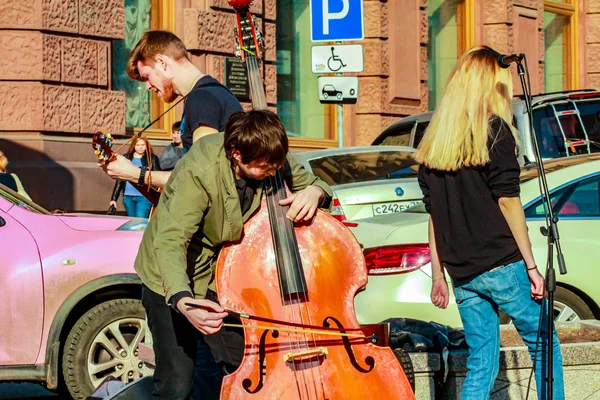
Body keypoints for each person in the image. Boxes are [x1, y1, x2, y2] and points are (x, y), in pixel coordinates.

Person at [136, 109, 331, 398]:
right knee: (177, 383)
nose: (275, 172)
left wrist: (315, 192)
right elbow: (170, 240)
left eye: (278, 164)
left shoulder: (271, 154)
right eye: (266, 167)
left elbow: (316, 183)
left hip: (226, 277)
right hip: (172, 276)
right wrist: (183, 300)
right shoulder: (201, 170)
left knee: (240, 365)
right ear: (237, 154)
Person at [413, 46, 564, 400]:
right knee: (544, 343)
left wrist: (438, 275)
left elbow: (435, 217)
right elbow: (509, 202)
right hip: (501, 263)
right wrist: (531, 265)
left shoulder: (434, 146)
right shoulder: (496, 132)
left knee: (482, 360)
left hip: (462, 272)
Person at [103, 30, 243, 189]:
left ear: (162, 62)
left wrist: (136, 174)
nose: (148, 86)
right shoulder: (211, 93)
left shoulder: (201, 99)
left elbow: (202, 175)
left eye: (146, 77)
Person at [109, 135, 160, 218]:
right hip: (128, 197)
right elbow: (120, 180)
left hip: (144, 197)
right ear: (134, 146)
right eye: (138, 145)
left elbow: (157, 177)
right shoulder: (127, 157)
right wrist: (114, 199)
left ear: (146, 145)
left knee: (140, 222)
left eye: (143, 145)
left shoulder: (152, 158)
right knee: (132, 222)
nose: (140, 147)